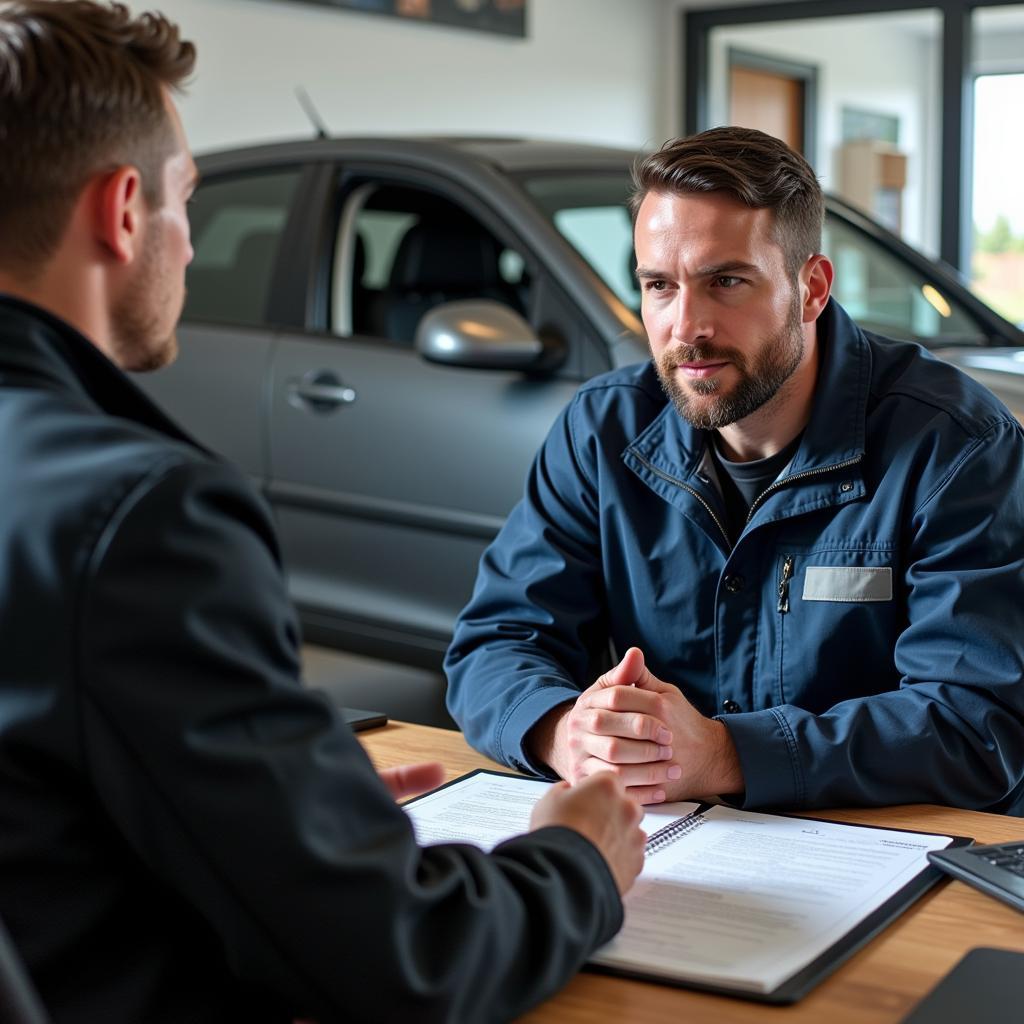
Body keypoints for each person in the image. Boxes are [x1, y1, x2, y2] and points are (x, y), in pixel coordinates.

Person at [0, 3, 646, 1022]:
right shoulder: (140, 516)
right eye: (185, 205)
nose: (193, 250)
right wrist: (576, 858)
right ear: (123, 212)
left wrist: (276, 827)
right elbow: (407, 962)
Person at [446, 126, 1024, 815]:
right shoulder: (602, 431)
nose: (686, 326)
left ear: (811, 288)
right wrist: (566, 732)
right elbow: (497, 641)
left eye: (725, 282)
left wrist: (724, 754)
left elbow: (977, 723)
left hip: (886, 850)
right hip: (677, 846)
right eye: (659, 285)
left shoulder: (956, 446)